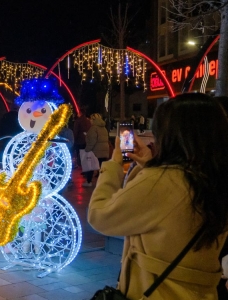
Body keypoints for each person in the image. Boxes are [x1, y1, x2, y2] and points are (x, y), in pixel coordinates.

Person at [89, 93, 228, 299]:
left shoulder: (163, 180)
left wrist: (113, 166)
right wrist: (151, 163)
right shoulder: (215, 178)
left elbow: (99, 215)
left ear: (173, 135)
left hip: (158, 292)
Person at [82, 113, 108, 187]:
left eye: (90, 119)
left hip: (95, 151)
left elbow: (92, 141)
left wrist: (87, 149)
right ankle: (103, 182)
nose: (89, 120)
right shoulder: (104, 128)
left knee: (90, 166)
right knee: (102, 167)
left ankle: (89, 181)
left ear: (93, 120)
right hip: (104, 150)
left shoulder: (94, 128)